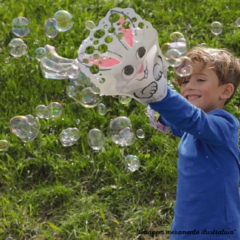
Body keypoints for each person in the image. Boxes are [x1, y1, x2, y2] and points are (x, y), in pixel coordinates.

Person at [147, 47, 240, 239]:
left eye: (200, 79)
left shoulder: (223, 126)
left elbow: (190, 119)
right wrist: (156, 109)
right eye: (185, 80)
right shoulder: (193, 130)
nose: (189, 86)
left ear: (225, 91)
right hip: (185, 225)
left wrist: (159, 94)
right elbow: (178, 121)